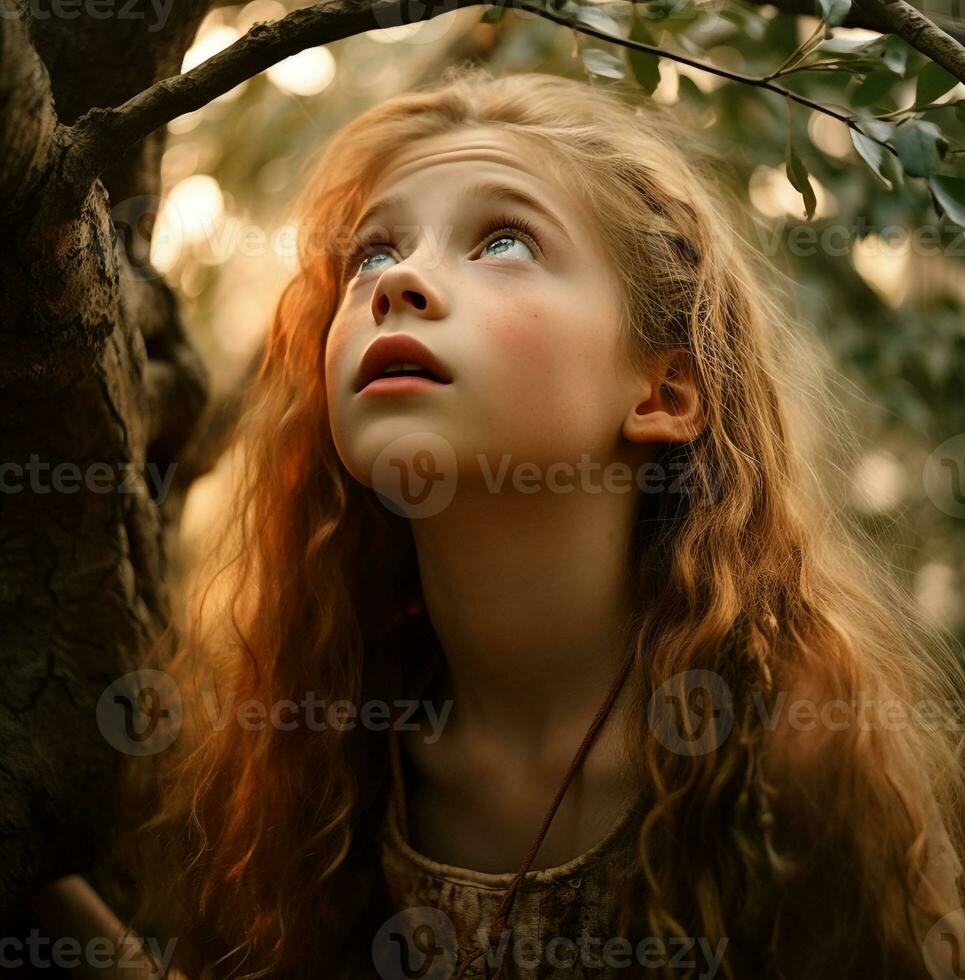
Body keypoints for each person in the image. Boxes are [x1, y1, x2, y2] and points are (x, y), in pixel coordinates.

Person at [32, 64, 965, 979]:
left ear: (666, 388)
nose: (397, 285)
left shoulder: (784, 758)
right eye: (373, 253)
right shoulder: (296, 759)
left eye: (504, 243)